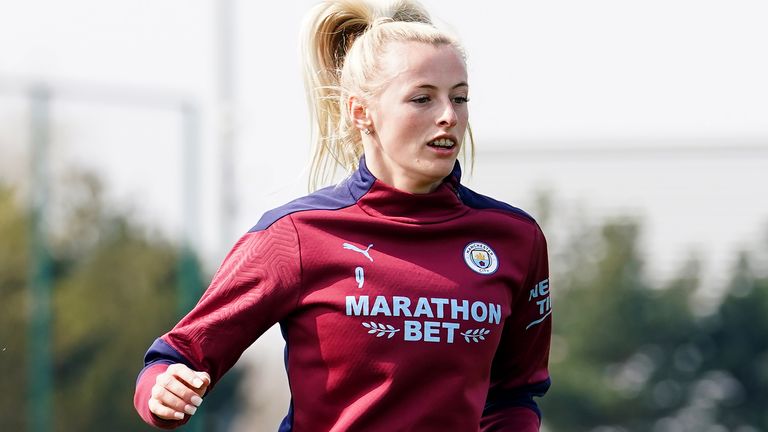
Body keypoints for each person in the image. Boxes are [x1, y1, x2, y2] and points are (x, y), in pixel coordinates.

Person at [133, 0, 553, 430]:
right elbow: (175, 356)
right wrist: (163, 390)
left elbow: (515, 393)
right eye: (423, 98)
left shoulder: (515, 239)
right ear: (360, 112)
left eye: (459, 98)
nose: (448, 116)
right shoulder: (295, 236)